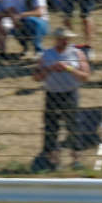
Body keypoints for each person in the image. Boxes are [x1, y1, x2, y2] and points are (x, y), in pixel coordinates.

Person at [34, 26, 89, 170]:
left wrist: (69, 68)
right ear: (55, 39)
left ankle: (76, 160)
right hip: (52, 93)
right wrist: (50, 68)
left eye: (66, 39)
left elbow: (85, 76)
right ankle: (53, 160)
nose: (64, 41)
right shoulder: (46, 55)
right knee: (51, 127)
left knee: (74, 126)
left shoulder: (77, 54)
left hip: (70, 93)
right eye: (61, 39)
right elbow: (36, 77)